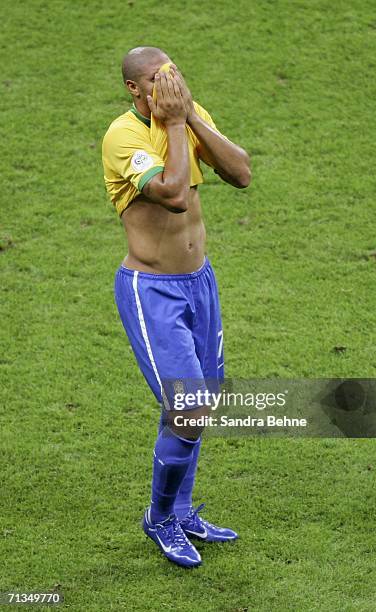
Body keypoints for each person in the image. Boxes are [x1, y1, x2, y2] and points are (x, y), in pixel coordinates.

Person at [102, 46, 251, 568]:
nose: (167, 83)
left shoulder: (186, 112)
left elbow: (241, 173)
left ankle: (183, 511)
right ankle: (160, 517)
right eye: (154, 79)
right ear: (133, 89)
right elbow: (173, 195)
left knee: (204, 404)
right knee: (188, 410)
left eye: (172, 73)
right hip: (153, 292)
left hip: (199, 284)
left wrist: (188, 116)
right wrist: (171, 123)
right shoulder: (123, 136)